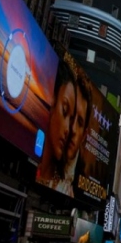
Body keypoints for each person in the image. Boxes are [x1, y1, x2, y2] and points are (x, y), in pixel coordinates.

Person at [36, 61, 90, 197]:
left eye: (79, 122)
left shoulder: (69, 188)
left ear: (84, 135)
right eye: (66, 112)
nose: (70, 129)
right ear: (52, 102)